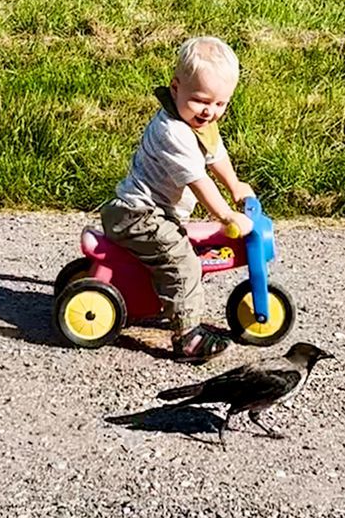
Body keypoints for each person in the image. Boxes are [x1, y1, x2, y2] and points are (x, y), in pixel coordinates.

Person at [101, 36, 254, 363]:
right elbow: (199, 181)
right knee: (183, 261)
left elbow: (216, 155)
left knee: (180, 247)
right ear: (175, 88)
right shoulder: (174, 132)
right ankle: (187, 337)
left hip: (152, 212)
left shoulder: (199, 124)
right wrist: (226, 215)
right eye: (201, 100)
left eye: (220, 104)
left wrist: (235, 184)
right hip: (138, 214)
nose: (209, 112)